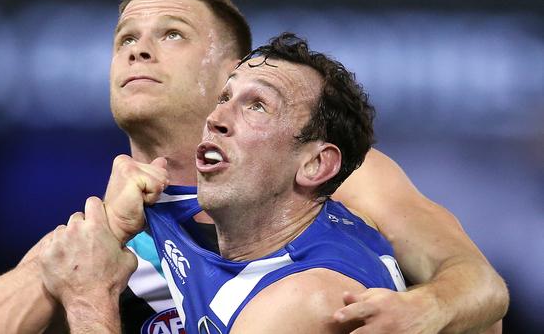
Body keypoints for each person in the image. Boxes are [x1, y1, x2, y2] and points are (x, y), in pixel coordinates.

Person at [0, 0, 507, 334]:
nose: (138, 50)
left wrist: (425, 310)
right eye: (125, 40)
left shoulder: (345, 183)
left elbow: (479, 286)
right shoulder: (107, 229)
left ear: (229, 74)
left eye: (172, 35)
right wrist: (107, 236)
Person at [40, 33, 407, 333]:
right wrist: (112, 224)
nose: (216, 117)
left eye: (257, 105)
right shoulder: (171, 208)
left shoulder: (306, 299)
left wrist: (90, 299)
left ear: (314, 165)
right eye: (224, 97)